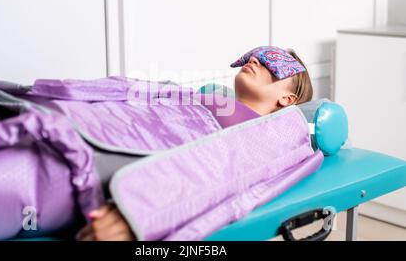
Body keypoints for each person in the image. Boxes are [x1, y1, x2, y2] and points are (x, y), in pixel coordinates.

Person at [77, 48, 313, 241]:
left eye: (273, 64)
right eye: (257, 54)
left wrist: (136, 212)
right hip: (98, 119)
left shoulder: (259, 137)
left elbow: (209, 173)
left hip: (105, 152)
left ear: (287, 99)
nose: (254, 59)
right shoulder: (209, 99)